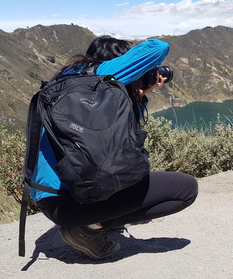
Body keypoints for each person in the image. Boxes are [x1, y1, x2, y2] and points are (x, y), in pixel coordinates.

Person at [31, 36, 198, 260]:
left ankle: (89, 222)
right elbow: (159, 47)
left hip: (51, 201)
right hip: (72, 203)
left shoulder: (69, 83)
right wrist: (127, 66)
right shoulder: (105, 72)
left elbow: (115, 133)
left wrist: (139, 96)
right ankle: (86, 228)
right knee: (186, 189)